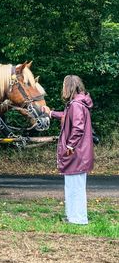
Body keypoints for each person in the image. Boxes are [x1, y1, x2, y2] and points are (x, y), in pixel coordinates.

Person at [42, 75, 94, 225]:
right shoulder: (76, 103)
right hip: (79, 153)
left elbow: (78, 127)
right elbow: (67, 117)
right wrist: (50, 113)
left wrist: (70, 147)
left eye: (64, 85)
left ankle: (78, 219)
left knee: (75, 187)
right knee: (72, 185)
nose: (62, 88)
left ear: (69, 87)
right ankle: (72, 217)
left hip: (77, 153)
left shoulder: (76, 105)